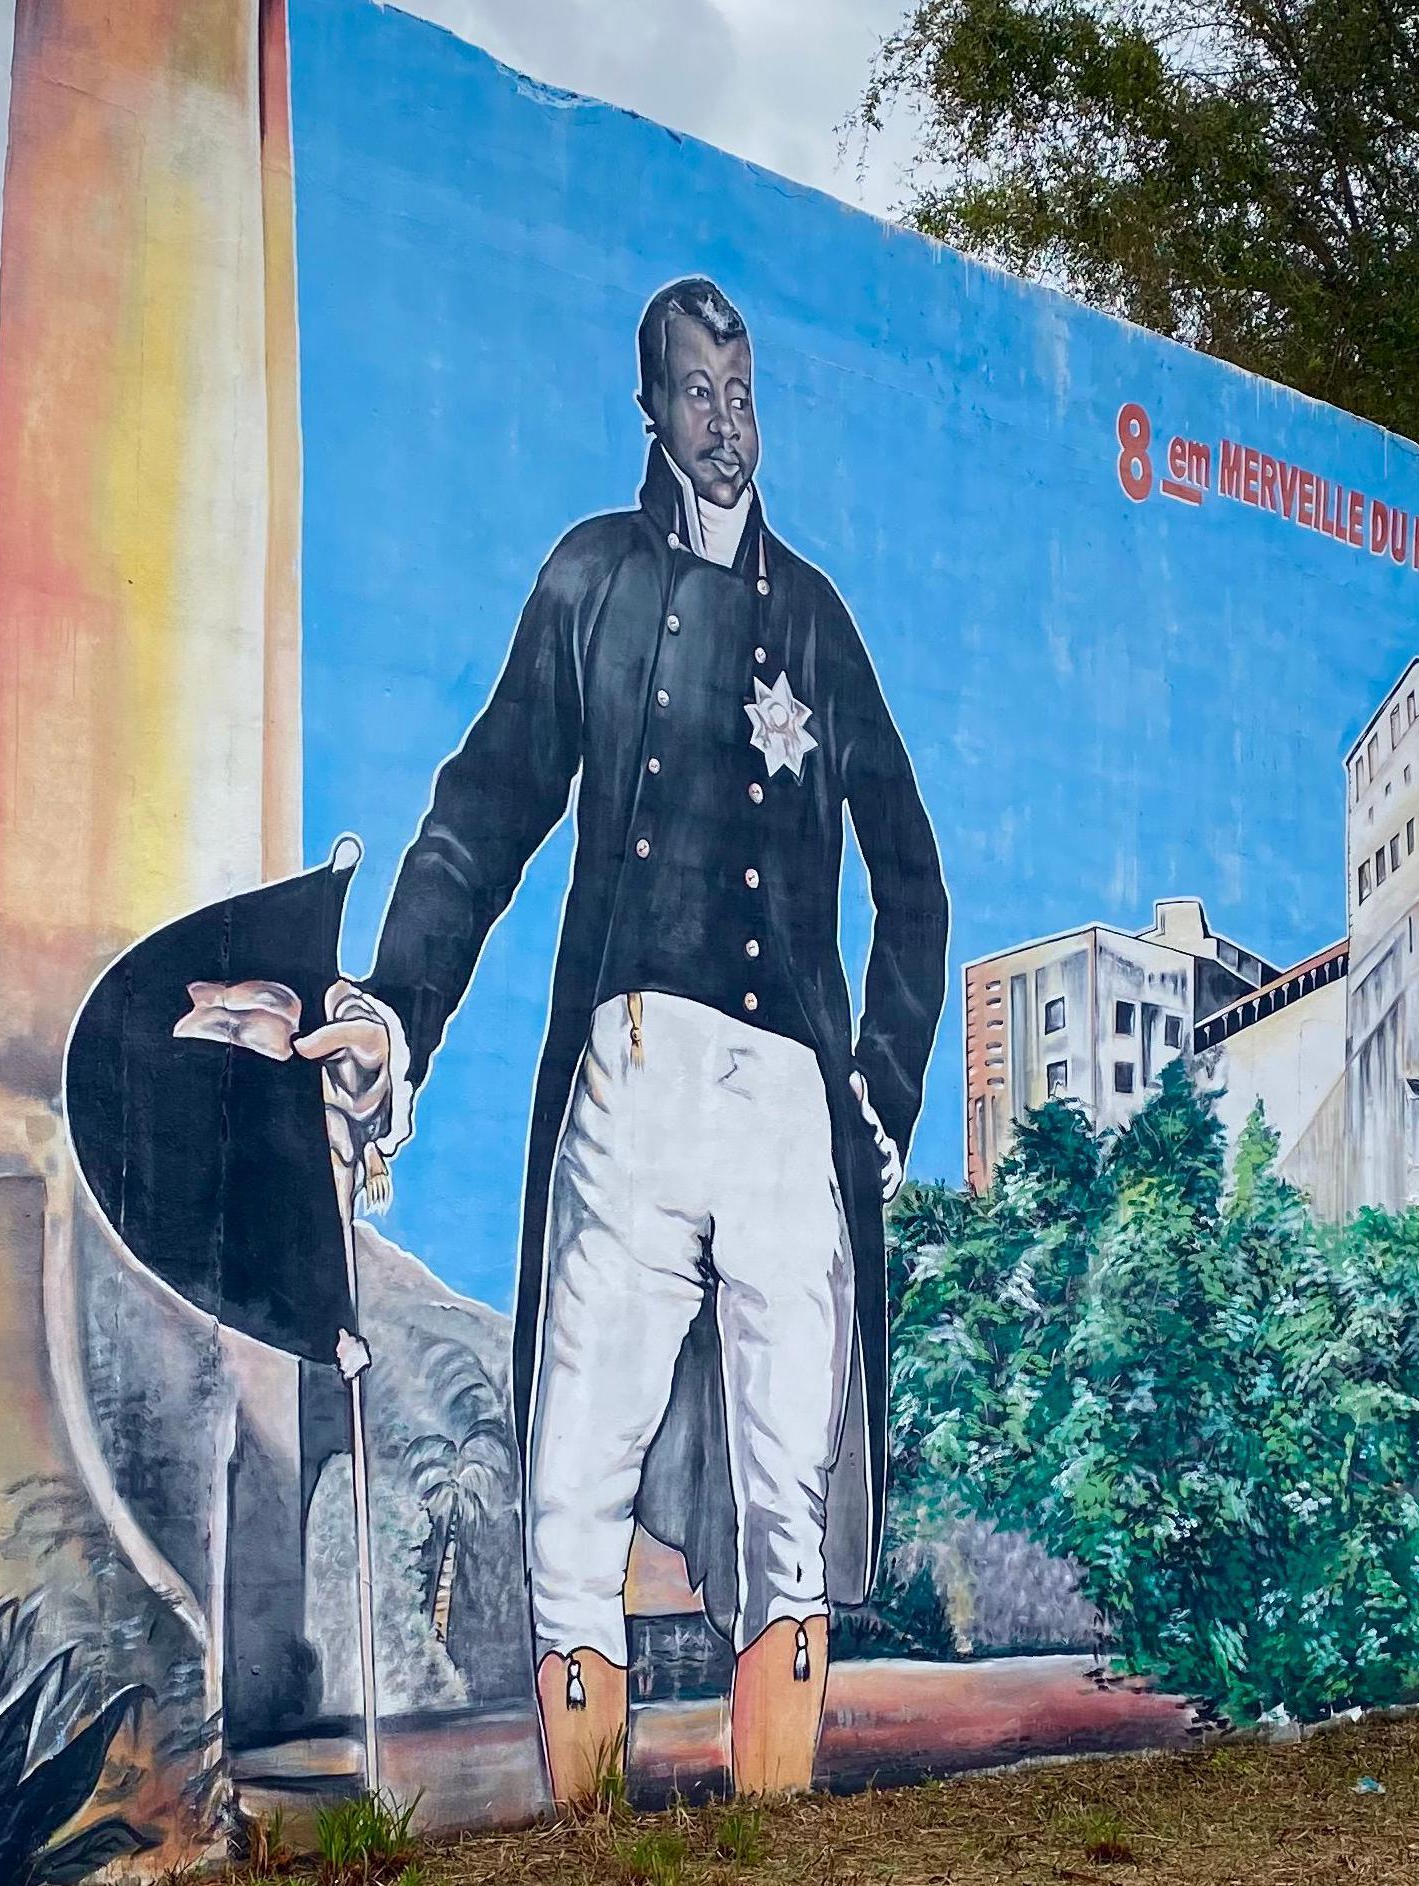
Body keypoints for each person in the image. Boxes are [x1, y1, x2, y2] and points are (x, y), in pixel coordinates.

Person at [187, 276, 946, 1802]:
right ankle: (590, 1838)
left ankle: (774, 1829)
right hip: (629, 1090)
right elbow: (480, 815)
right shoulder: (587, 581)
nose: (724, 423)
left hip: (791, 1106)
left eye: (742, 393)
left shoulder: (816, 615)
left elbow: (909, 871)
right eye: (695, 392)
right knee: (569, 1503)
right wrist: (395, 1006)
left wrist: (880, 1081)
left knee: (784, 1507)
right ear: (648, 409)